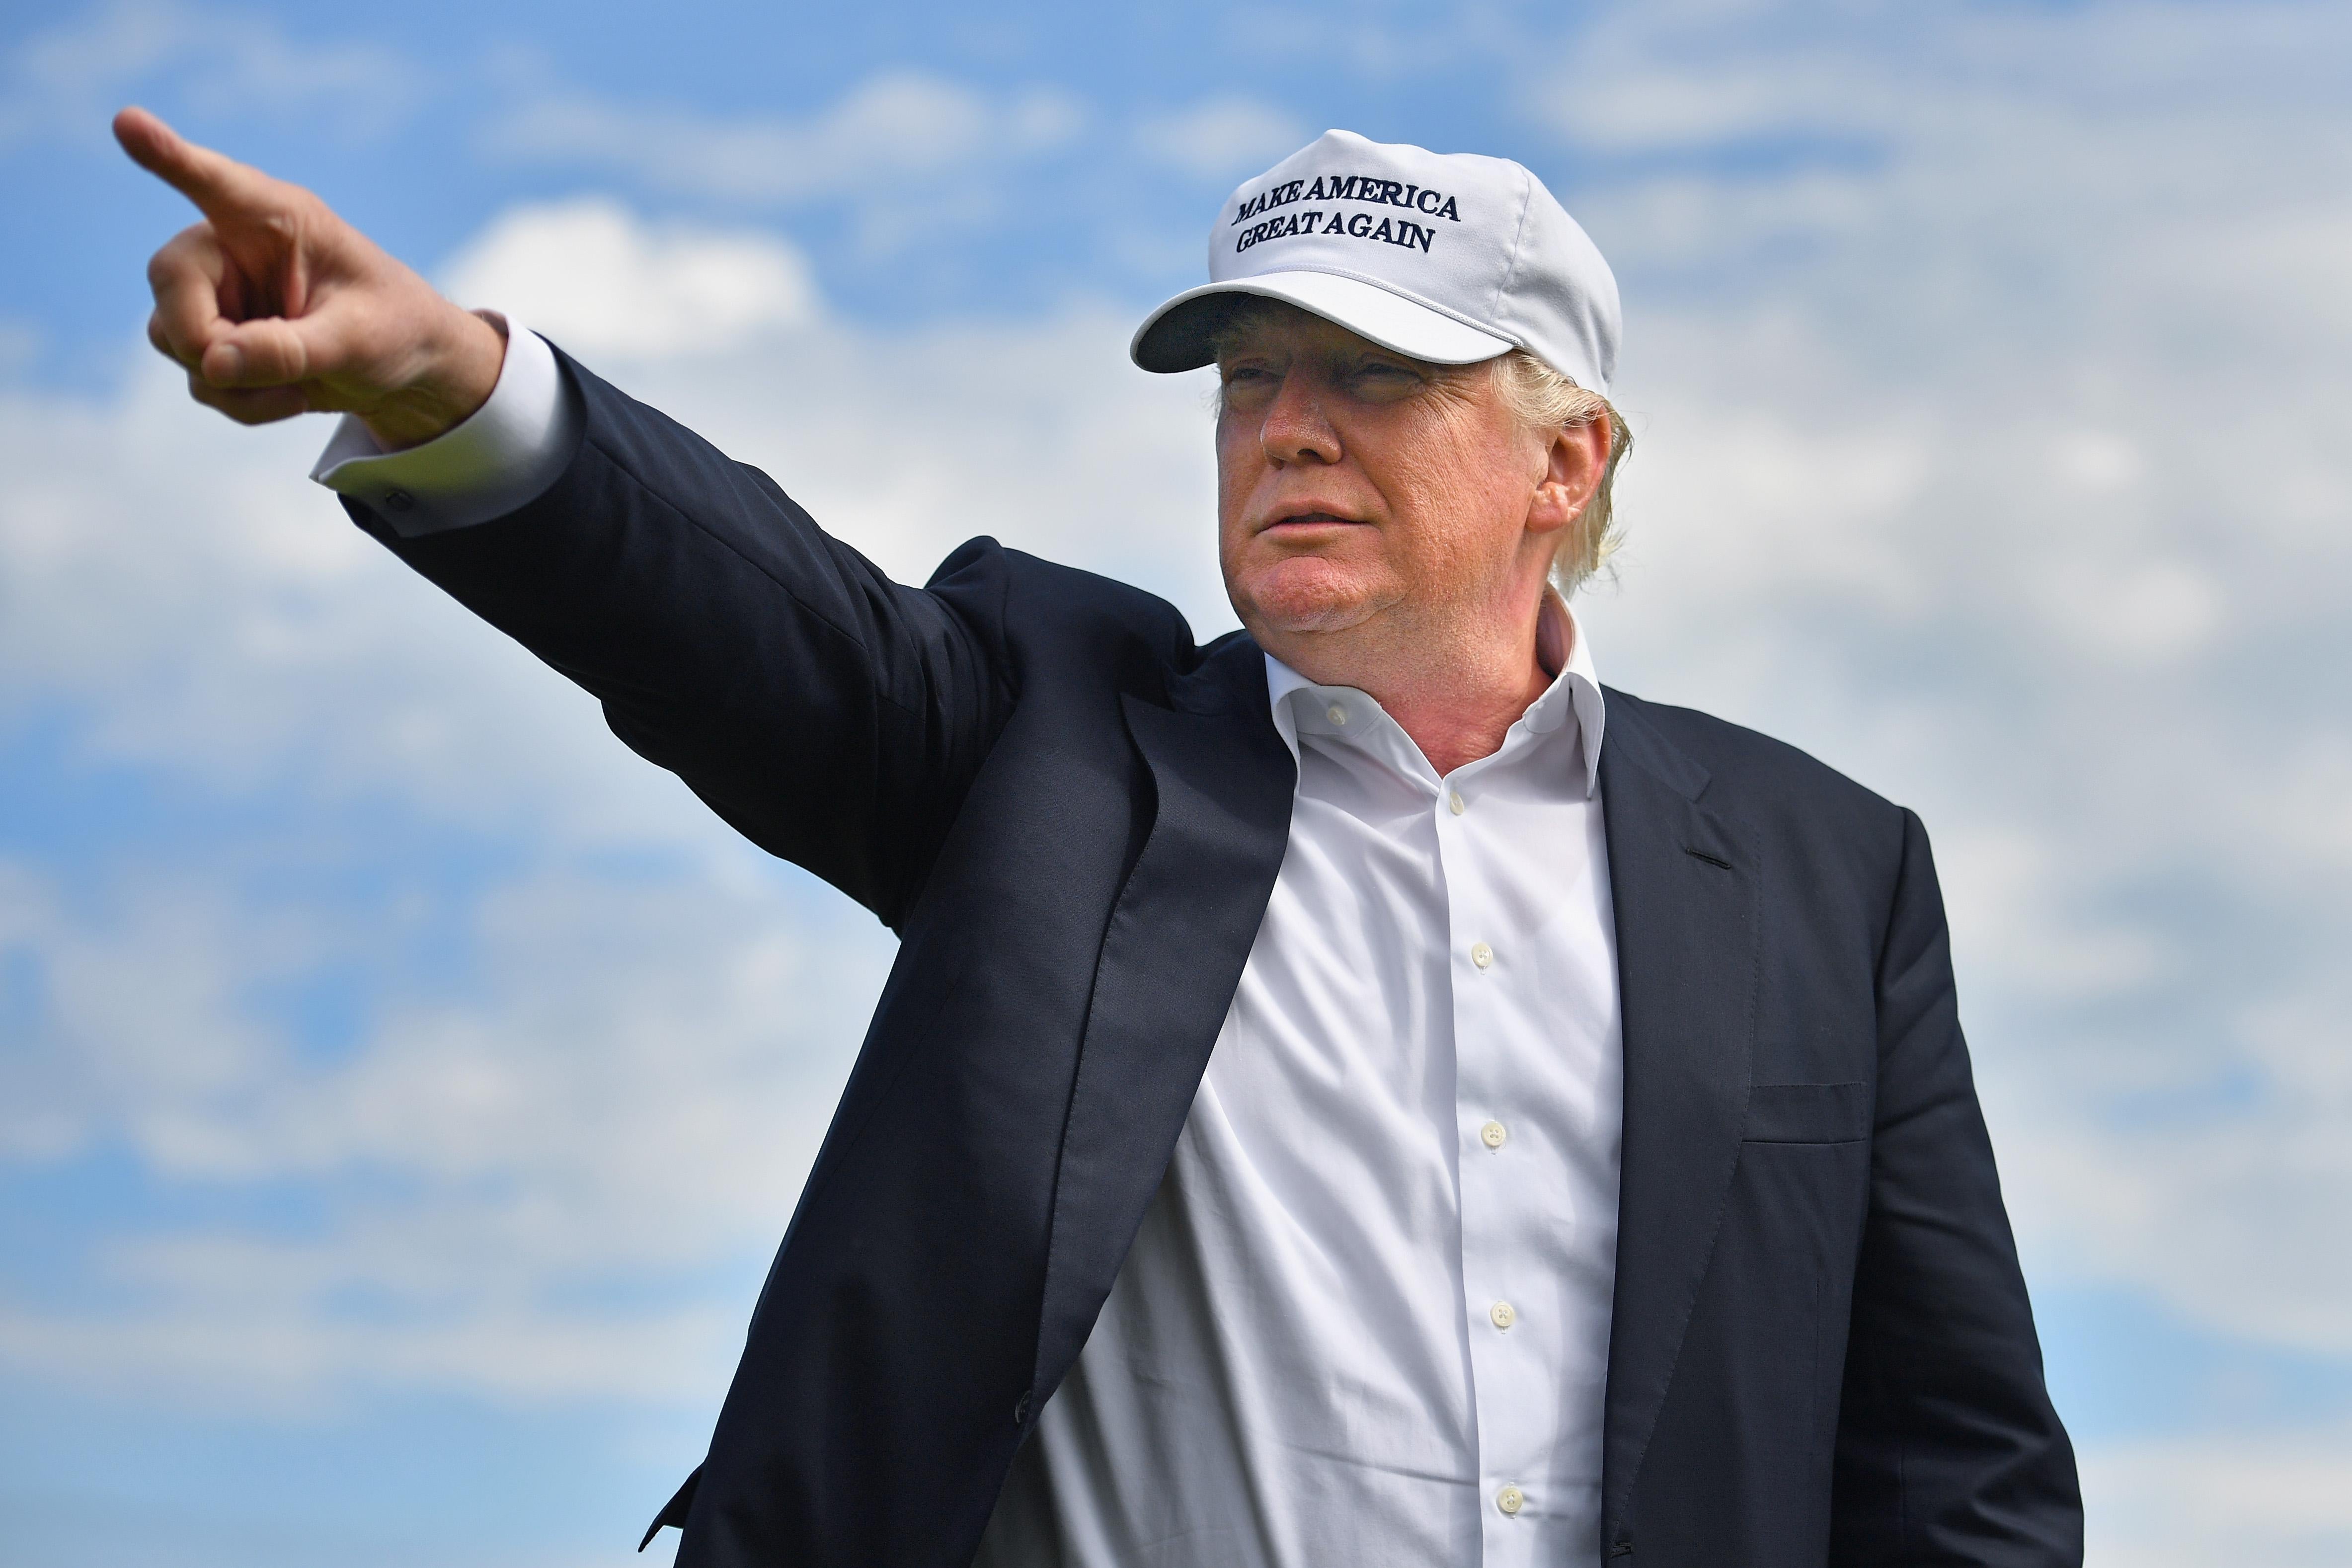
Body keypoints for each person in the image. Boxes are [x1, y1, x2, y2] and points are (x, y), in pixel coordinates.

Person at [117, 105, 2083, 1568]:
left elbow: (1955, 1469)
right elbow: (743, 616)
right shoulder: (1053, 750)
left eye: (1372, 377)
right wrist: (452, 382)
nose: (1285, 428)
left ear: (1560, 459)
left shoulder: (1825, 872)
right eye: (1248, 382)